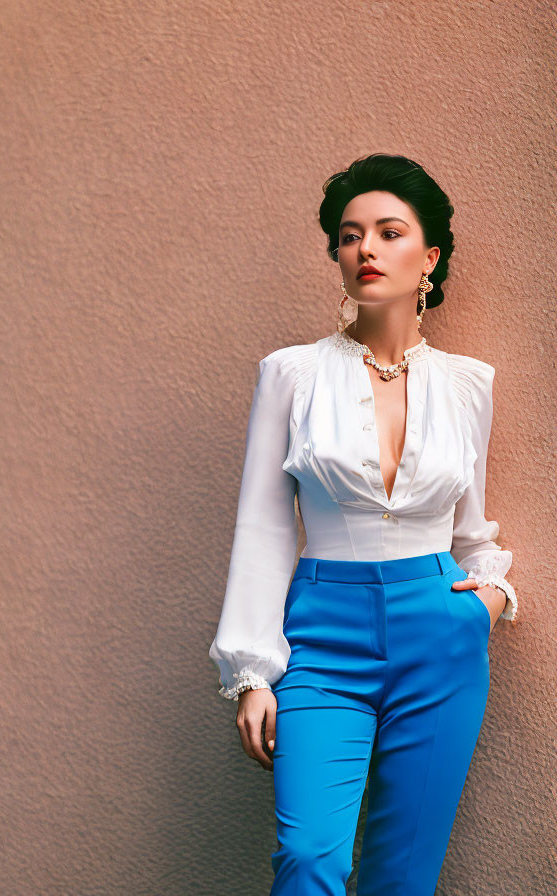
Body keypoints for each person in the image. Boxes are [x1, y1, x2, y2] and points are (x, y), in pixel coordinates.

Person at [208, 153, 518, 895]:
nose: (366, 250)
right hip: (323, 636)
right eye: (349, 236)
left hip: (440, 634)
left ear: (430, 256)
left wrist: (489, 601)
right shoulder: (291, 374)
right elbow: (263, 525)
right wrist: (252, 671)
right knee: (311, 856)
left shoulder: (470, 385)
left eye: (388, 231)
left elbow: (471, 530)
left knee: (402, 879)